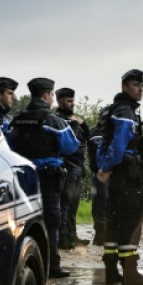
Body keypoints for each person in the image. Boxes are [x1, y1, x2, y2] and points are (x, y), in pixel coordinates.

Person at [7, 77, 80, 278]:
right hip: (48, 178)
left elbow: (9, 146)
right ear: (47, 95)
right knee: (51, 219)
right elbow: (71, 146)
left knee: (24, 221)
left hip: (23, 178)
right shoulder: (53, 120)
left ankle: (23, 264)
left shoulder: (17, 119)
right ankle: (52, 266)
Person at [96, 69, 143, 285]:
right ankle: (131, 274)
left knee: (114, 222)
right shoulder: (125, 112)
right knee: (131, 222)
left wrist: (103, 167)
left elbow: (103, 142)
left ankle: (112, 271)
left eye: (141, 85)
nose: (140, 89)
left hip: (117, 176)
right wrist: (109, 166)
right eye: (135, 85)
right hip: (127, 174)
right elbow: (119, 143)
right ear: (124, 87)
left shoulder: (112, 110)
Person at [55, 87, 91, 249]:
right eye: (69, 101)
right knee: (65, 204)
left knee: (74, 204)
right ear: (60, 101)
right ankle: (63, 238)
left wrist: (83, 124)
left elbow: (87, 137)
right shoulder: (57, 119)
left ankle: (72, 235)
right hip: (66, 166)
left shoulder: (75, 119)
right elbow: (70, 144)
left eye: (73, 101)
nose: (72, 104)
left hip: (77, 166)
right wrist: (75, 125)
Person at [88, 131, 109, 246]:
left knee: (107, 202)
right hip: (97, 174)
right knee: (98, 203)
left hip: (110, 173)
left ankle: (108, 234)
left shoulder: (114, 129)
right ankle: (100, 234)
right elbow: (90, 152)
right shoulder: (94, 132)